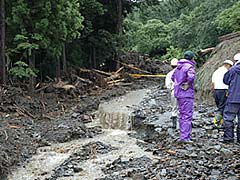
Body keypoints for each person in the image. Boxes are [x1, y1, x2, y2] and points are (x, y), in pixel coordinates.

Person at [171, 50, 195, 143]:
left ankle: (183, 135)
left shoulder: (178, 67)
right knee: (187, 115)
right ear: (192, 58)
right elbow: (191, 77)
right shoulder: (189, 67)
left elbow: (173, 77)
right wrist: (187, 83)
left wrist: (179, 83)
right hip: (186, 94)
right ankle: (185, 137)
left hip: (178, 93)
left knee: (181, 114)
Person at [222, 53, 240, 143]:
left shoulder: (232, 70)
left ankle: (229, 138)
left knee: (228, 118)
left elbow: (225, 80)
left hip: (233, 98)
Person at [165, 58, 178, 129]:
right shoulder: (182, 72)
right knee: (183, 108)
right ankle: (187, 123)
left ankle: (174, 124)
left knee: (174, 107)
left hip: (174, 91)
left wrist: (171, 90)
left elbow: (167, 85)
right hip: (182, 91)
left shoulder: (169, 74)